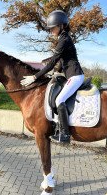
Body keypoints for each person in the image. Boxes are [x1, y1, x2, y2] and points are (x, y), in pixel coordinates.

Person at [20, 10, 84, 144]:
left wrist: (35, 77)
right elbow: (62, 61)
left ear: (61, 25)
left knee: (60, 99)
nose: (51, 31)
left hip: (75, 76)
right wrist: (55, 72)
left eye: (53, 28)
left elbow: (53, 61)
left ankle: (65, 134)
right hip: (71, 75)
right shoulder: (63, 38)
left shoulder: (64, 39)